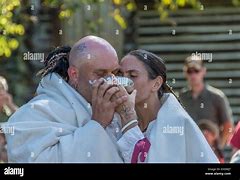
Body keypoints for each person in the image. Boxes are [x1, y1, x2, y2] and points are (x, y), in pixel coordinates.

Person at [5, 36, 135, 162]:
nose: (111, 81)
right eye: (100, 74)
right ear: (74, 75)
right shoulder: (32, 114)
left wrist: (128, 119)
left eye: (115, 73)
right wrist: (98, 124)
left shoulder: (117, 114)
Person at [116, 49, 218, 163]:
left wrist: (129, 120)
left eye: (133, 75)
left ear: (156, 83)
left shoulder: (175, 124)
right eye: (120, 75)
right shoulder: (116, 121)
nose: (123, 82)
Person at [179, 56, 233, 148]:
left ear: (203, 71)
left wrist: (219, 146)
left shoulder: (217, 97)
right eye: (189, 71)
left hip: (211, 151)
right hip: (188, 150)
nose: (193, 75)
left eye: (196, 71)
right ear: (185, 73)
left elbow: (228, 126)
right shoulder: (180, 98)